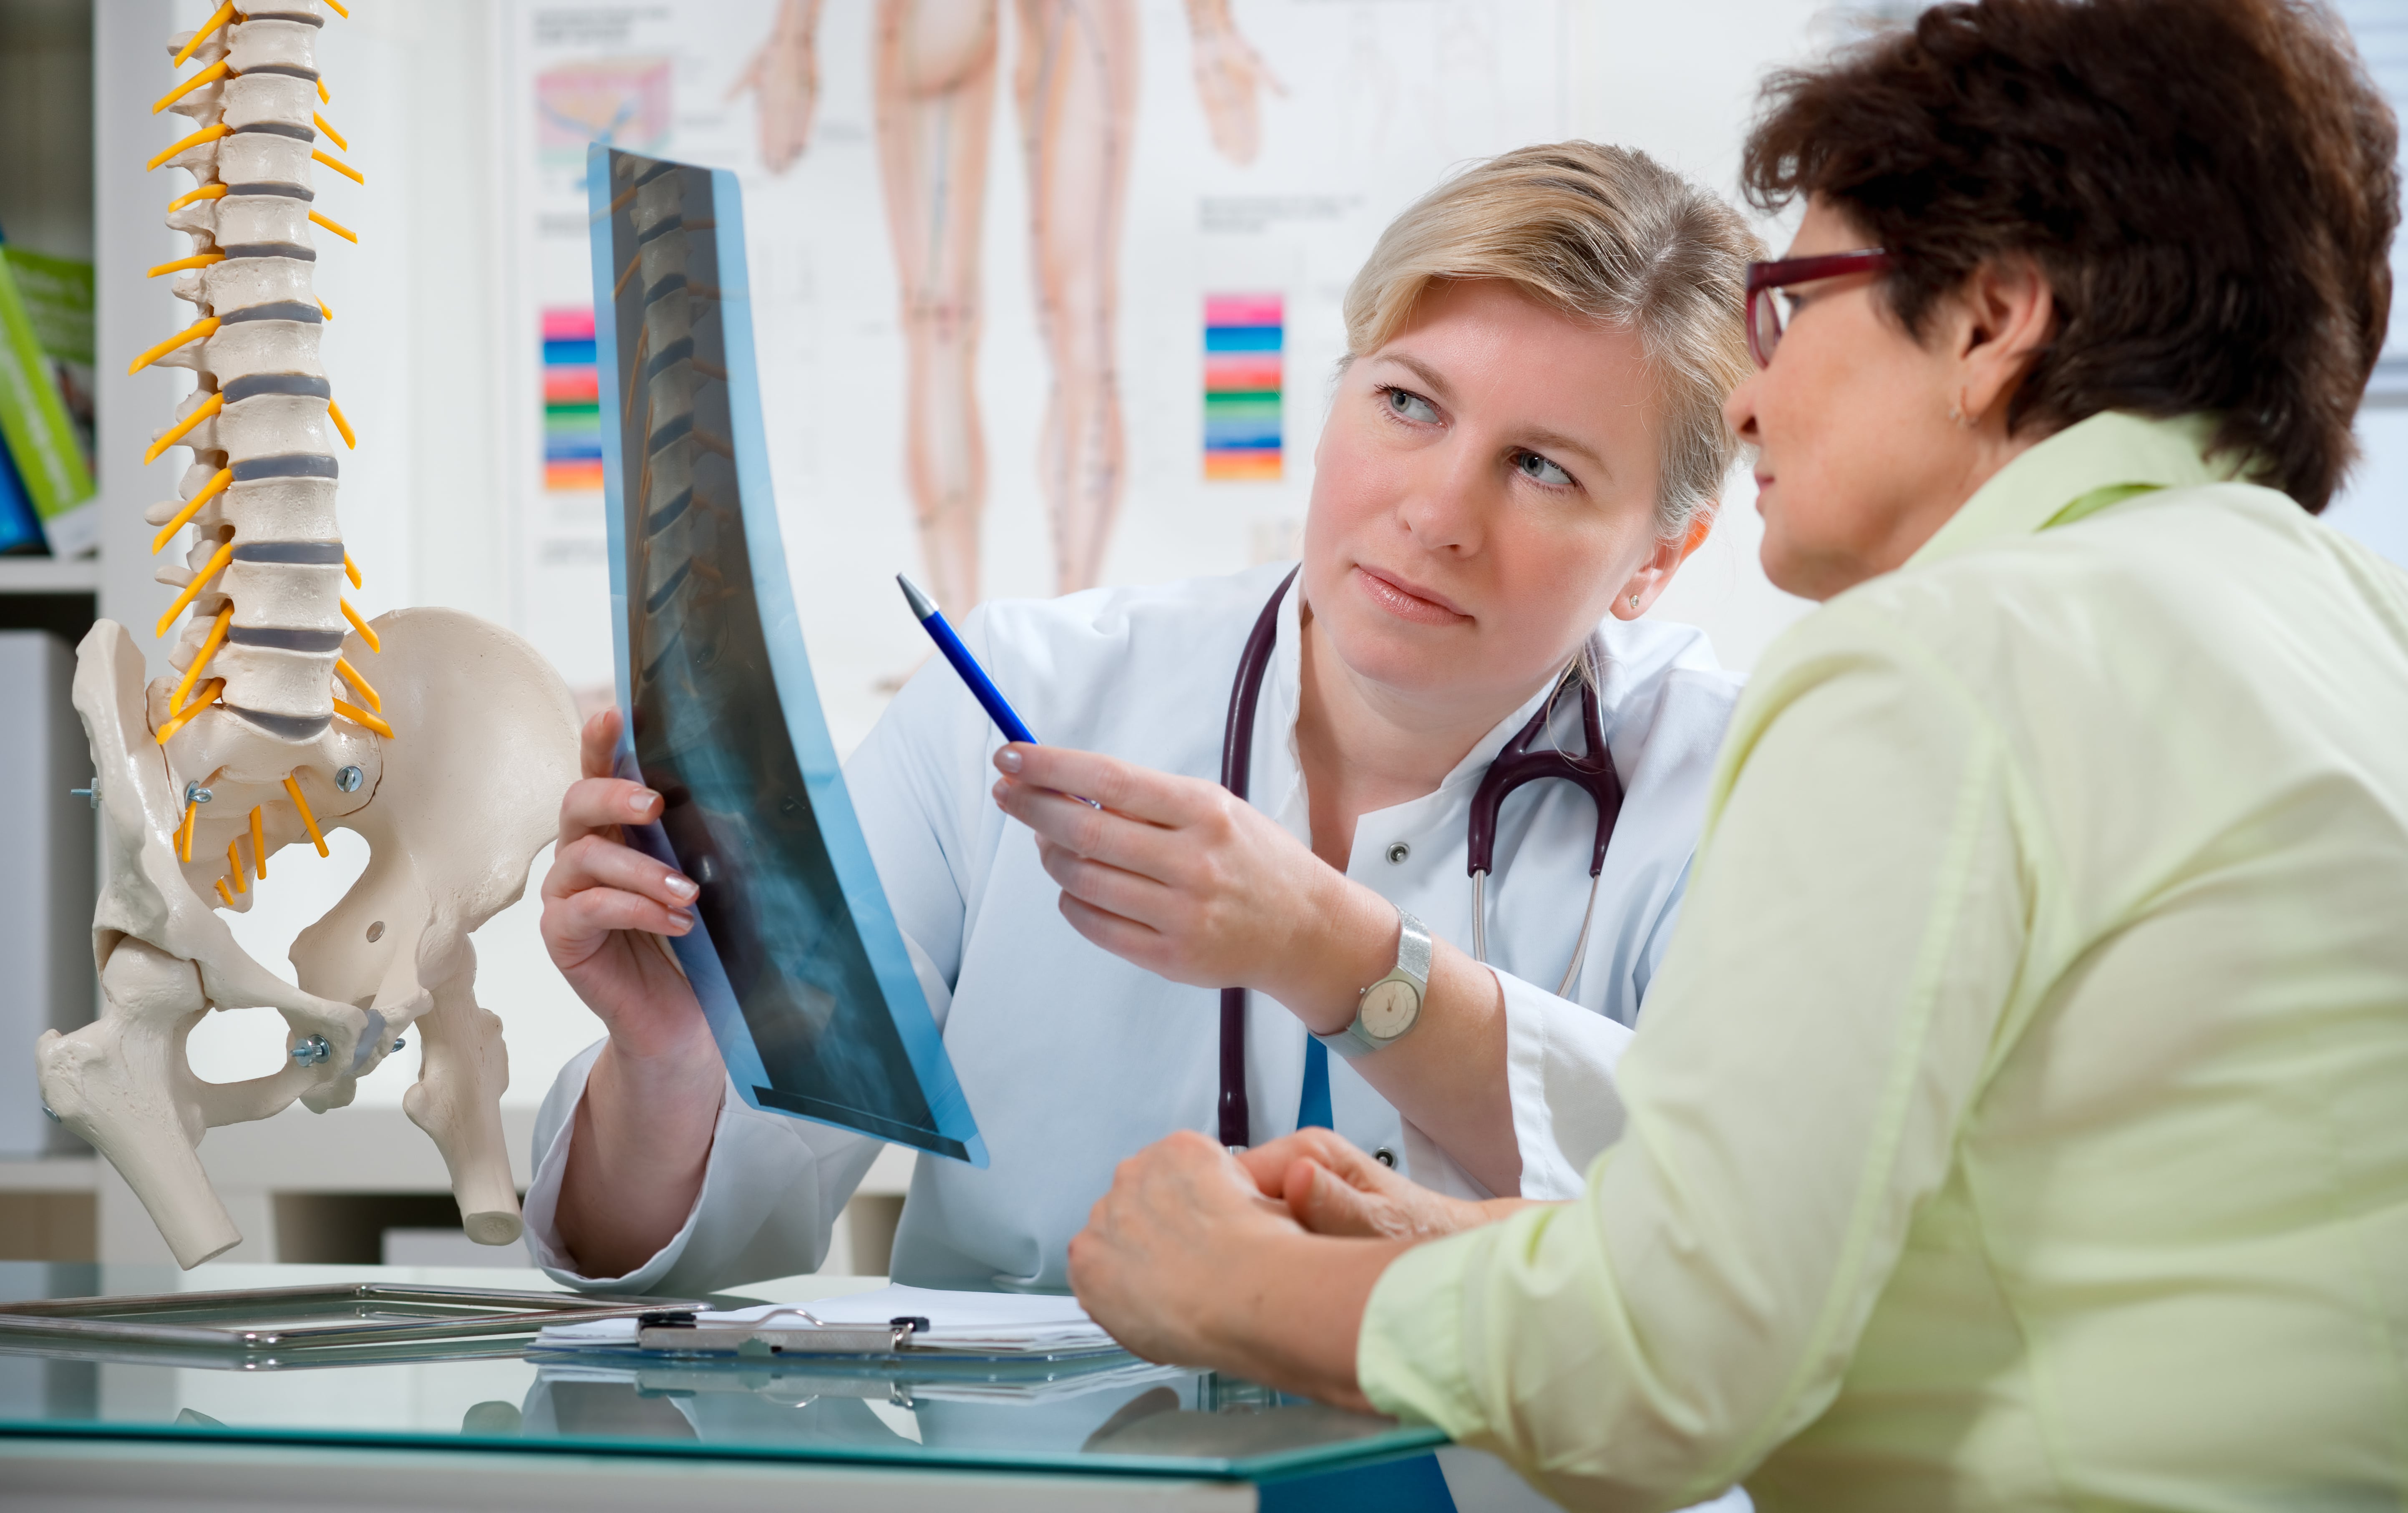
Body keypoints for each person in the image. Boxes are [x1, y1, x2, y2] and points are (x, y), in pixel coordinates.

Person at [1065, 1, 2408, 1507]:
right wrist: (1463, 1250)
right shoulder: (2354, 621)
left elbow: (1671, 1374)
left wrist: (1224, 1285)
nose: (1753, 394)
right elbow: (2035, 1262)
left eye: (1793, 303)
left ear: (1988, 321)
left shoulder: (1944, 663)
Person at [526, 142, 1764, 1294]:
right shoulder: (1014, 706)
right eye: (1407, 404)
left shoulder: (1739, 791)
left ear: (1659, 557)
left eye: (1541, 467)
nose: (1438, 512)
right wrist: (675, 1062)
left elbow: (1736, 1247)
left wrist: (1336, 958)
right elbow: (698, 1260)